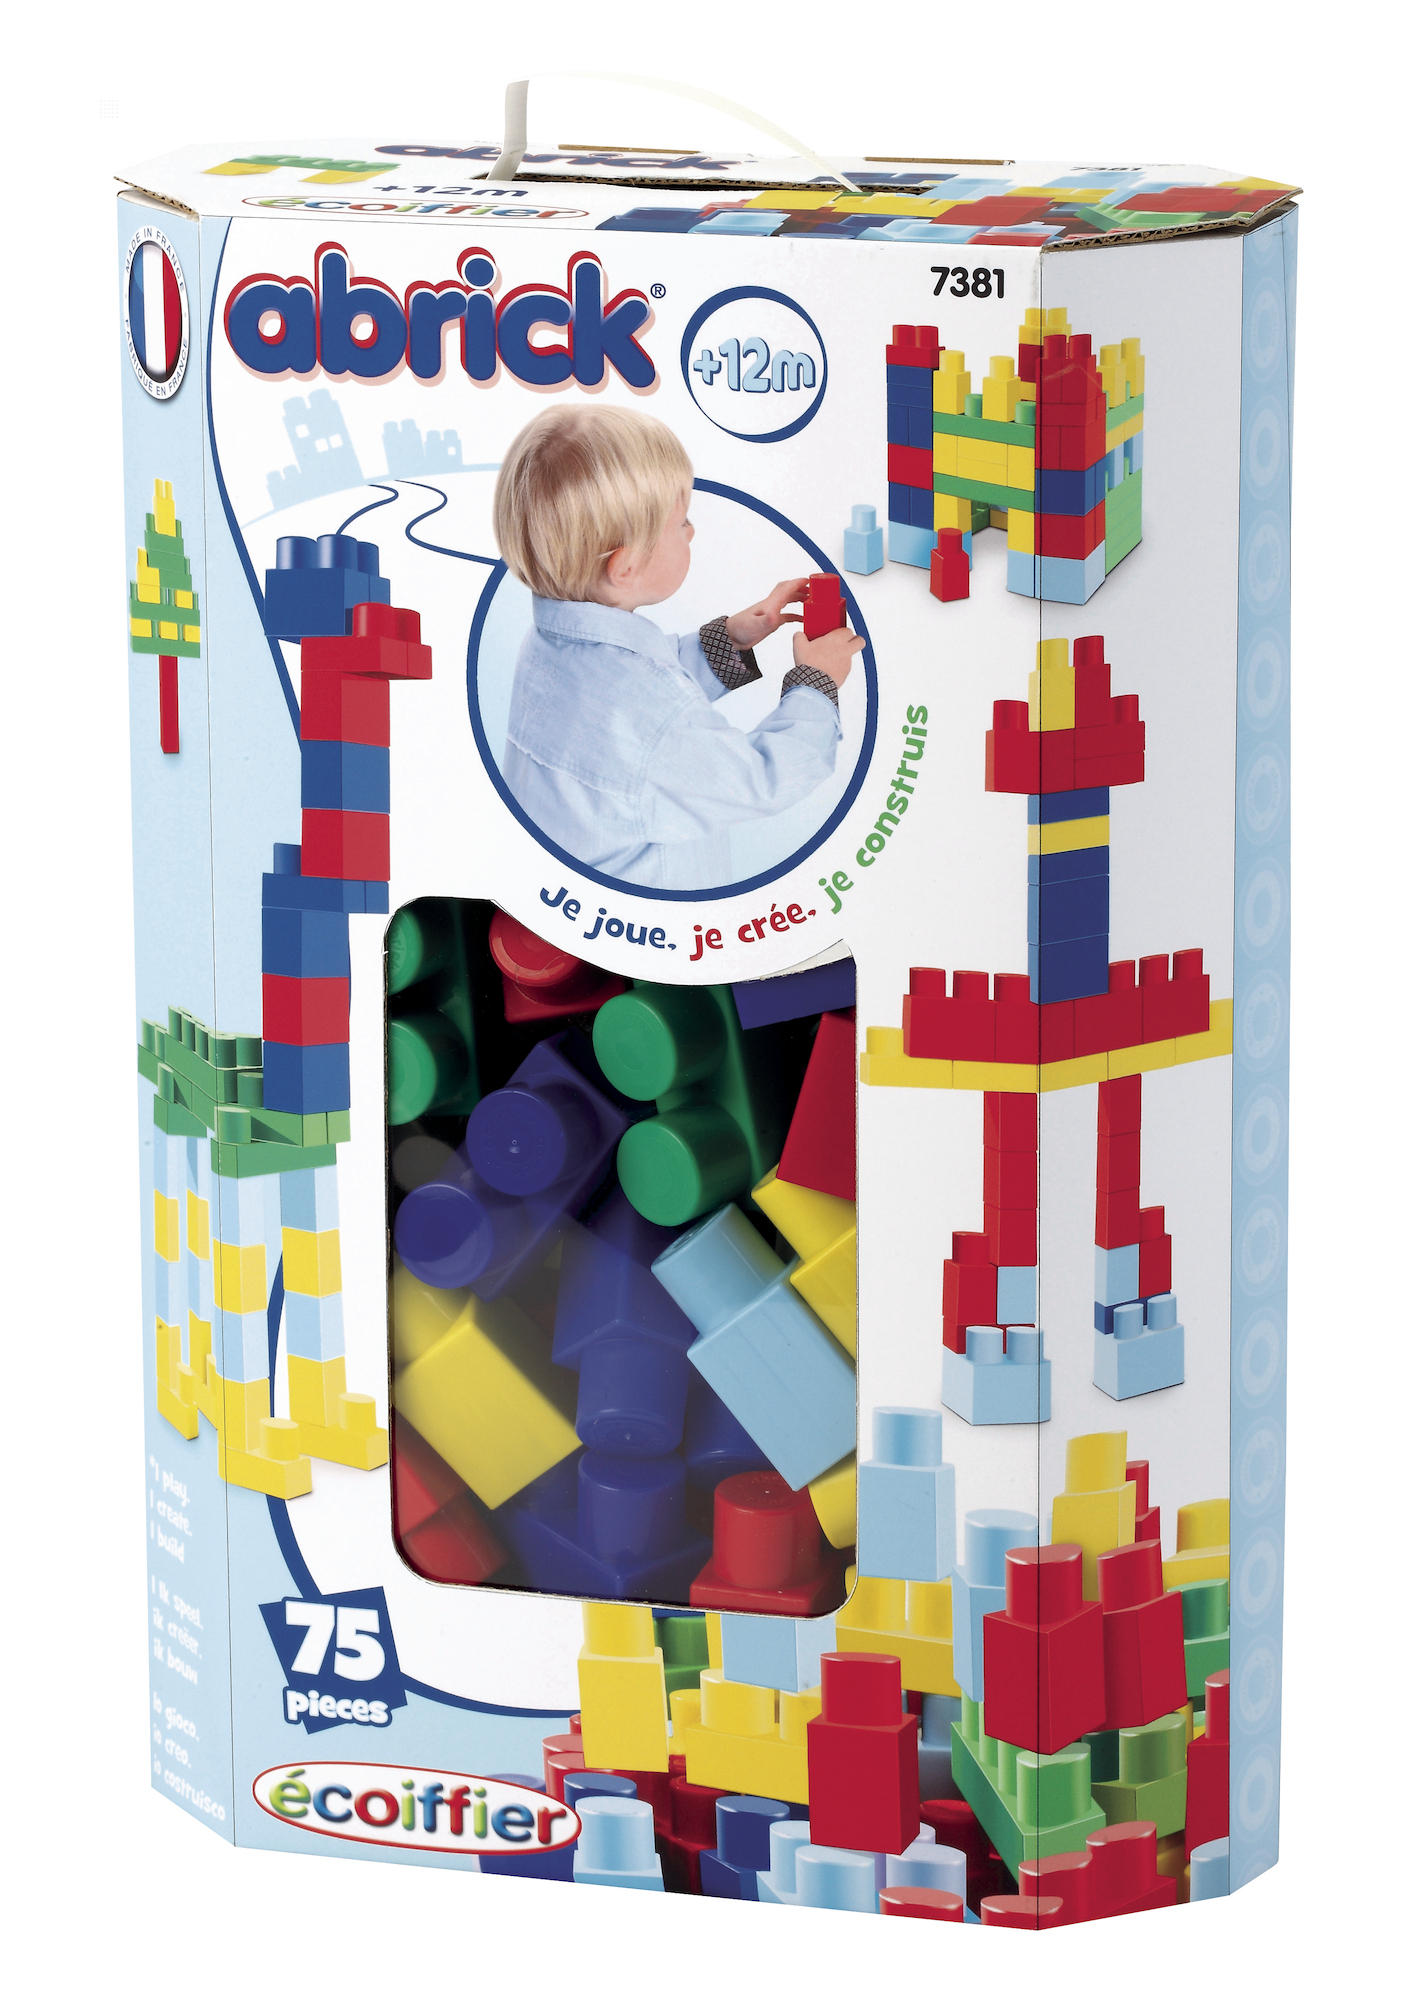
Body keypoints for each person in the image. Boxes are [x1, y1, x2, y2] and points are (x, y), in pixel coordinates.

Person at [493, 405, 862, 890]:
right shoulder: (652, 714)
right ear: (625, 568)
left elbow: (639, 693)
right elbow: (761, 781)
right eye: (681, 522)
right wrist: (817, 683)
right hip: (644, 913)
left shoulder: (547, 646)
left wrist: (729, 640)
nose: (692, 531)